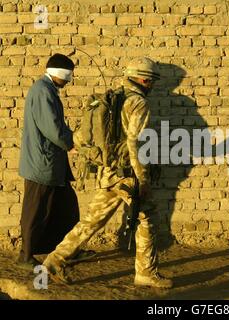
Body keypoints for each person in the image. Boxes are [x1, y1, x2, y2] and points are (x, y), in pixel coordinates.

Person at [43, 57, 173, 289]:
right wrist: (142, 180)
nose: (151, 85)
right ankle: (145, 273)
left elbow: (82, 138)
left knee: (91, 221)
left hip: (108, 173)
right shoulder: (138, 103)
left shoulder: (112, 98)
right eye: (151, 81)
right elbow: (136, 144)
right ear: (144, 79)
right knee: (148, 218)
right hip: (127, 176)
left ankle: (54, 261)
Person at [17, 53, 80, 270]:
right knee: (36, 210)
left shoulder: (47, 90)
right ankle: (25, 256)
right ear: (60, 74)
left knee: (67, 208)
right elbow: (52, 129)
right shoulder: (43, 92)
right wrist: (71, 143)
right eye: (68, 76)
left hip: (53, 164)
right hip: (42, 164)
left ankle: (67, 250)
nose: (69, 81)